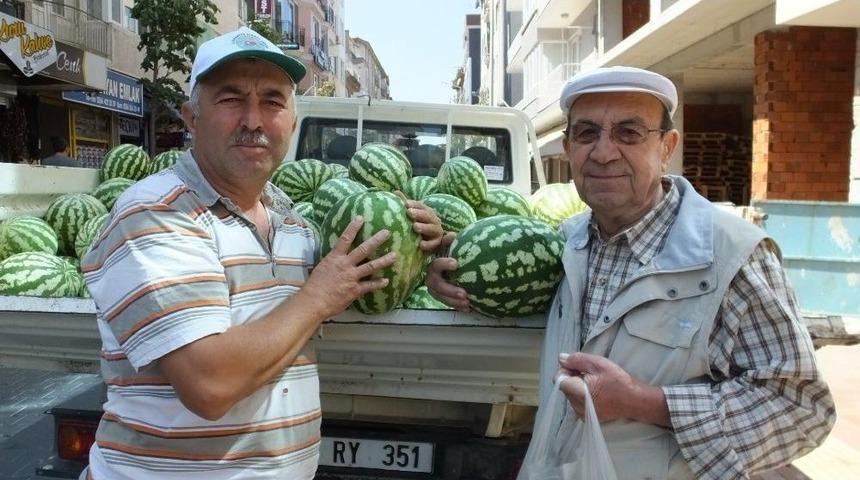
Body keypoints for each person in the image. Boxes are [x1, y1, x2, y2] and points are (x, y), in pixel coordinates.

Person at [427, 66, 835, 479]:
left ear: (666, 147)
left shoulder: (733, 257)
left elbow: (801, 410)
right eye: (587, 133)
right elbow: (504, 274)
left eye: (629, 133)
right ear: (568, 147)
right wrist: (449, 271)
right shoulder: (566, 244)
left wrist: (642, 402)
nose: (604, 152)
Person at [80, 27, 442, 480]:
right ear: (191, 117)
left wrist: (429, 265)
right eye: (231, 99)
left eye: (272, 101)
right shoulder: (154, 214)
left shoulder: (293, 223)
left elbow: (347, 286)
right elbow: (209, 385)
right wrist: (317, 297)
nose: (253, 119)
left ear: (292, 120)